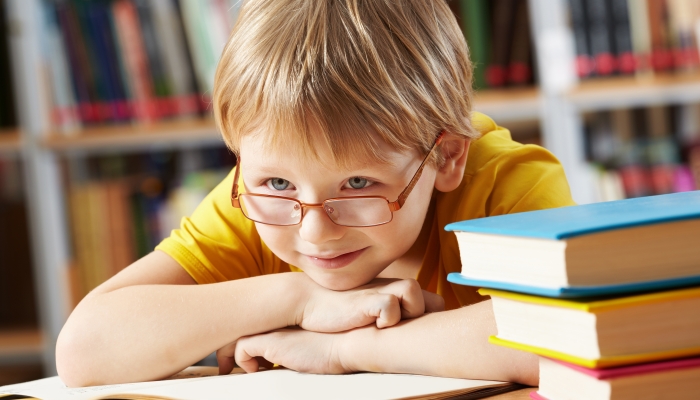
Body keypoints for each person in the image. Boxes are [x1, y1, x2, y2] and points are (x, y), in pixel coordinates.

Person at [56, 0, 575, 387]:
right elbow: (85, 349)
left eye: (358, 184)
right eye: (278, 182)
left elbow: (570, 338)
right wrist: (299, 299)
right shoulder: (258, 200)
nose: (315, 231)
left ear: (447, 158)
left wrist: (350, 349)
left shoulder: (508, 185)